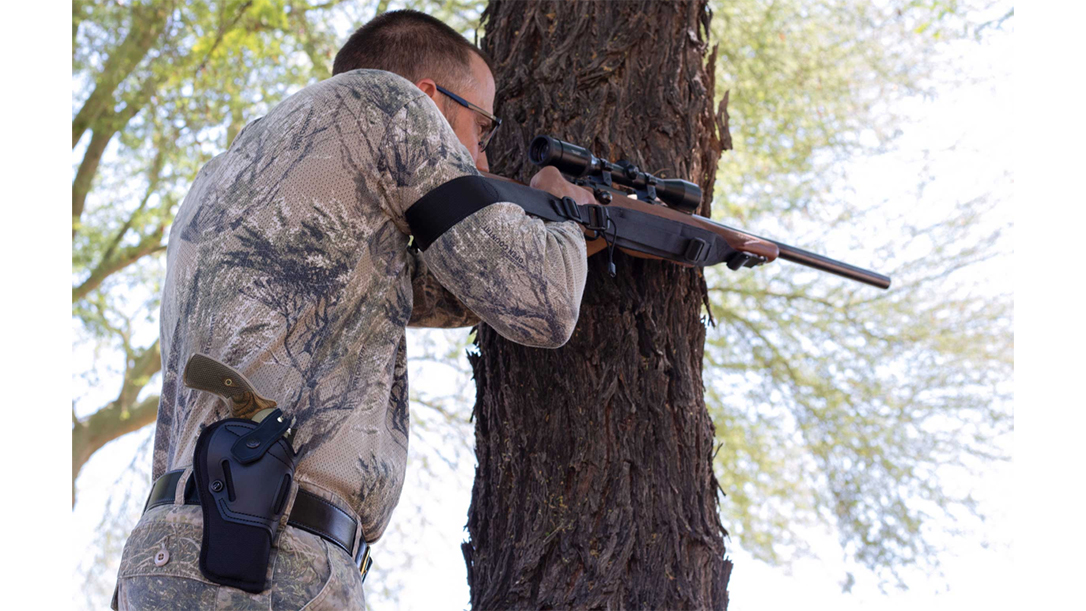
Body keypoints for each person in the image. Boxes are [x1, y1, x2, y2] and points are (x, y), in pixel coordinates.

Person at [112, 9, 600, 610]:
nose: (480, 160)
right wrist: (567, 213)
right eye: (482, 128)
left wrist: (553, 240)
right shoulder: (391, 101)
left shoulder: (243, 168)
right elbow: (543, 304)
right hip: (266, 556)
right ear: (429, 99)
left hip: (165, 557)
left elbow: (441, 289)